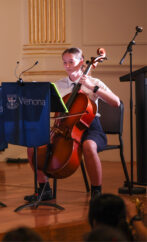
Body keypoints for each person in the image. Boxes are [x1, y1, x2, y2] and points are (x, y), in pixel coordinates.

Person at [25, 47, 120, 202]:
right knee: (33, 146)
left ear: (81, 62)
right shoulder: (59, 85)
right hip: (63, 128)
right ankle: (44, 189)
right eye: (64, 63)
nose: (67, 66)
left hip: (91, 127)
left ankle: (97, 191)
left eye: (71, 62)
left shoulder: (94, 82)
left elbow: (115, 102)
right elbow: (46, 108)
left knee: (89, 146)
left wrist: (92, 87)